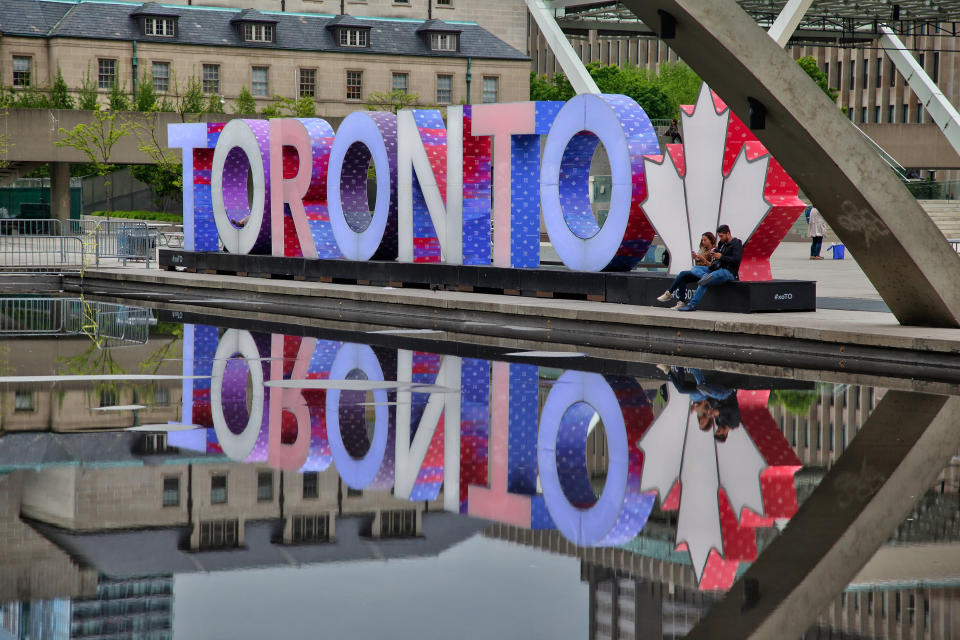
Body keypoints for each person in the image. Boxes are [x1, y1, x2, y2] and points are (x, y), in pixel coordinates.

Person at [677, 224, 742, 312]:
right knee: (695, 268)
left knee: (705, 281)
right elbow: (718, 253)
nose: (720, 238)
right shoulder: (721, 243)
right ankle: (705, 276)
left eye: (722, 236)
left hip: (728, 272)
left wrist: (721, 257)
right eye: (719, 236)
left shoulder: (736, 243)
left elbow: (736, 259)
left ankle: (692, 305)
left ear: (728, 233)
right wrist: (714, 252)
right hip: (716, 269)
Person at [656, 232, 717, 309]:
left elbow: (713, 266)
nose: (703, 242)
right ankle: (681, 302)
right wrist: (696, 258)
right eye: (702, 240)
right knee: (683, 279)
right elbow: (699, 264)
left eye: (705, 240)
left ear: (710, 240)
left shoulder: (714, 250)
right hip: (697, 272)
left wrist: (702, 259)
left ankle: (669, 293)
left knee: (682, 273)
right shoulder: (702, 249)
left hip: (706, 274)